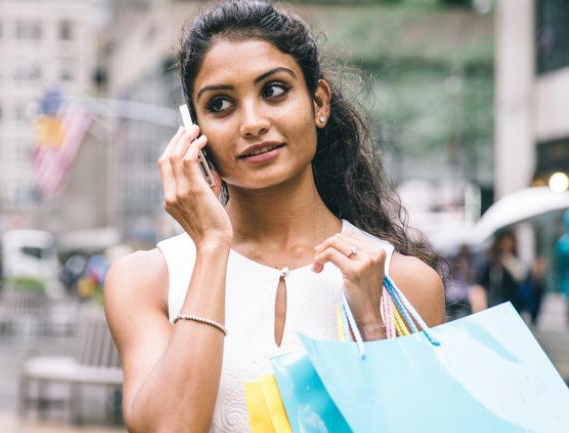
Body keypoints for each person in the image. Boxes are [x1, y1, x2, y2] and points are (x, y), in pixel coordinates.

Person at [103, 2, 445, 432]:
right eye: (221, 104)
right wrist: (211, 248)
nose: (252, 123)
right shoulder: (148, 279)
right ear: (194, 131)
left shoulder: (401, 283)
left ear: (318, 103)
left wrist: (372, 328)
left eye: (274, 91)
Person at [470, 230, 527, 313]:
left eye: (509, 242)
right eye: (504, 242)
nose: (507, 245)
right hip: (494, 304)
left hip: (513, 305)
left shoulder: (515, 262)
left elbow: (520, 281)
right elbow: (480, 282)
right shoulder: (492, 262)